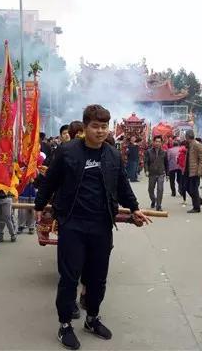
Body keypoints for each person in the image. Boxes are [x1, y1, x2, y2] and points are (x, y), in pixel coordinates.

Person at [34, 104, 150, 350]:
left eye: (104, 126)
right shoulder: (67, 152)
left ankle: (92, 318)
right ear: (85, 127)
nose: (100, 131)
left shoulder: (113, 155)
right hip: (72, 224)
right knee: (69, 277)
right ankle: (65, 324)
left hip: (101, 225)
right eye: (95, 126)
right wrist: (39, 205)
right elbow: (50, 181)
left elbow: (122, 185)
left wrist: (134, 207)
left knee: (97, 278)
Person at [184, 130, 202, 213]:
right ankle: (198, 200)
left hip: (195, 171)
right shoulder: (190, 144)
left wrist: (200, 170)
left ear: (187, 136)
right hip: (189, 171)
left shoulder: (197, 145)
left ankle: (196, 207)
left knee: (193, 189)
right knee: (186, 187)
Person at [144, 135, 168, 211]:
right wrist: (146, 170)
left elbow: (166, 164)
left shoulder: (164, 152)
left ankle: (158, 205)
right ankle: (153, 200)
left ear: (161, 143)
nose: (157, 143)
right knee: (150, 189)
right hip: (152, 173)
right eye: (156, 141)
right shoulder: (148, 151)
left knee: (160, 189)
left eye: (159, 142)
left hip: (161, 173)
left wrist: (167, 174)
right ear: (153, 142)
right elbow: (146, 162)